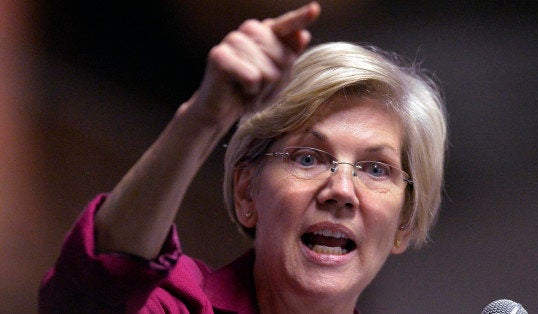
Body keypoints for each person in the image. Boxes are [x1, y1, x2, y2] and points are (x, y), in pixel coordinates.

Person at [39, 2, 447, 313]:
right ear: (247, 192)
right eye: (308, 159)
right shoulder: (174, 305)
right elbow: (97, 290)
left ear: (404, 225)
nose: (340, 190)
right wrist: (203, 118)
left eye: (376, 169)